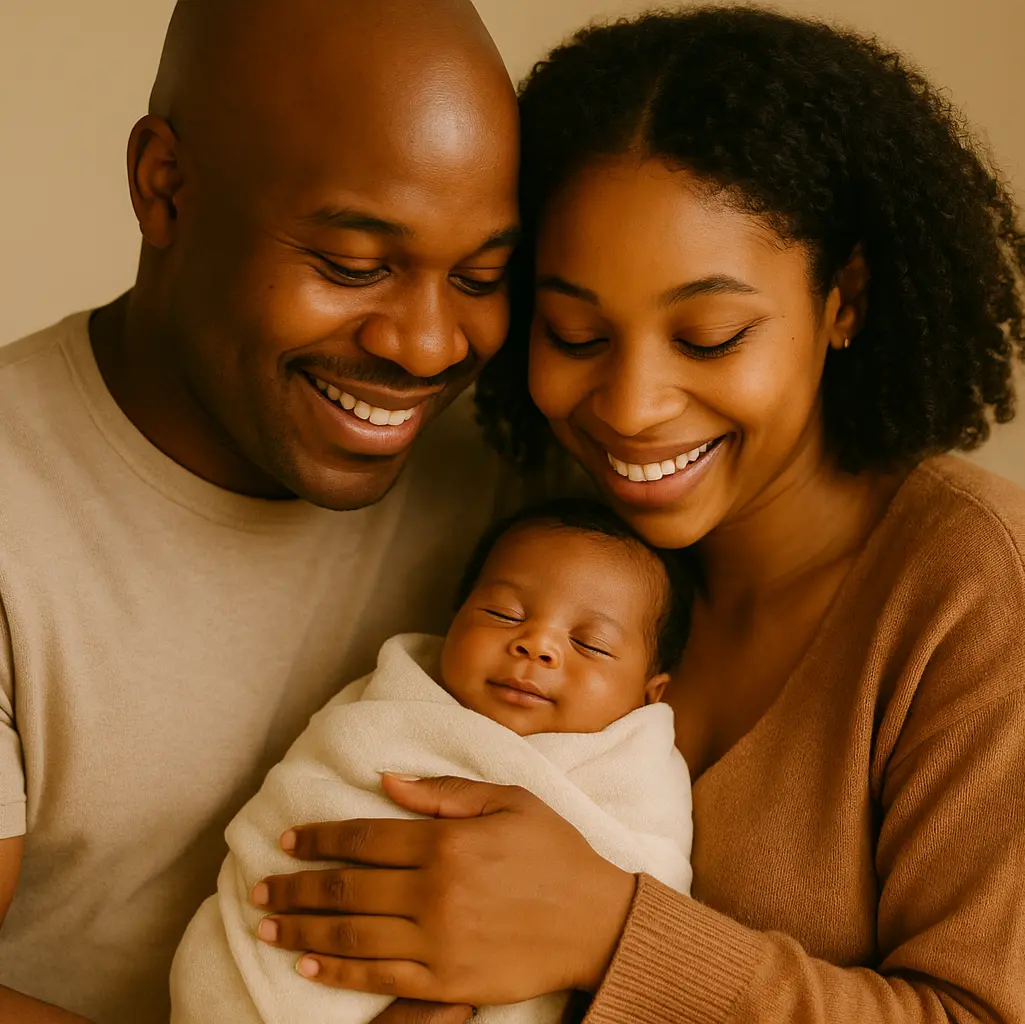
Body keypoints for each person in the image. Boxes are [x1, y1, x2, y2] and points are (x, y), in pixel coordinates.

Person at [246, 8, 1025, 1023]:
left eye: (707, 337)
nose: (627, 406)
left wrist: (609, 934)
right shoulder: (539, 528)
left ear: (844, 299)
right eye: (572, 333)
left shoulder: (972, 589)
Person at [0, 0, 521, 1021]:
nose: (425, 346)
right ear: (167, 186)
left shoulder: (513, 473)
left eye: (478, 276)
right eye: (353, 265)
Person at [169, 499, 693, 1024]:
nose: (537, 645)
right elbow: (304, 799)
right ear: (455, 620)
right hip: (283, 963)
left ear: (650, 695)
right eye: (504, 613)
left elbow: (649, 908)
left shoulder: (638, 772)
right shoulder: (392, 704)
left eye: (591, 644)